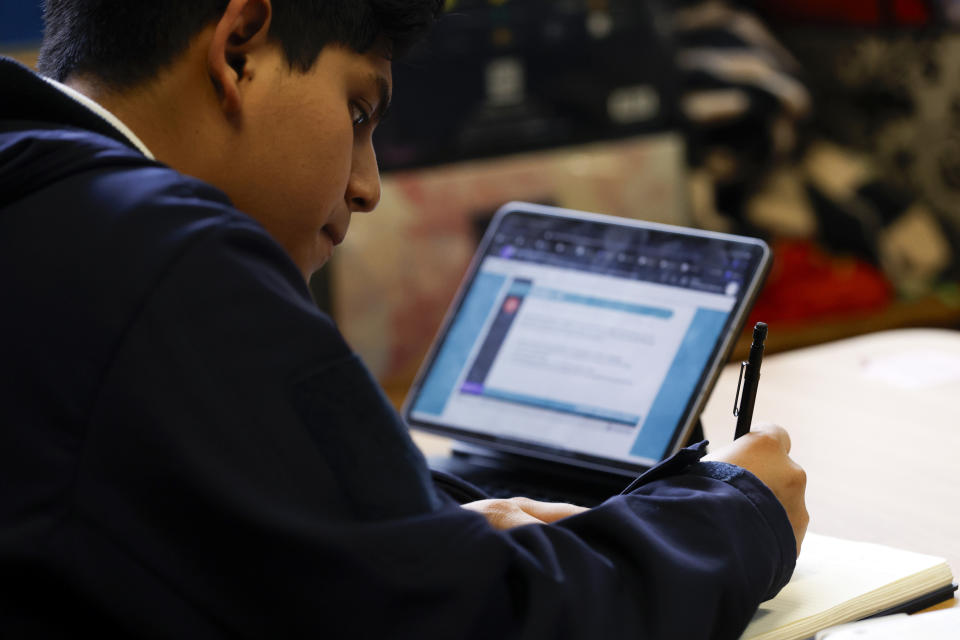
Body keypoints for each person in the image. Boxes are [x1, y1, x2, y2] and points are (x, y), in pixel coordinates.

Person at [0, 1, 808, 638]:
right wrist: (739, 512)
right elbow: (479, 625)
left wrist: (410, 531)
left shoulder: (40, 194)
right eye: (359, 111)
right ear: (239, 44)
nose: (367, 185)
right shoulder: (167, 249)